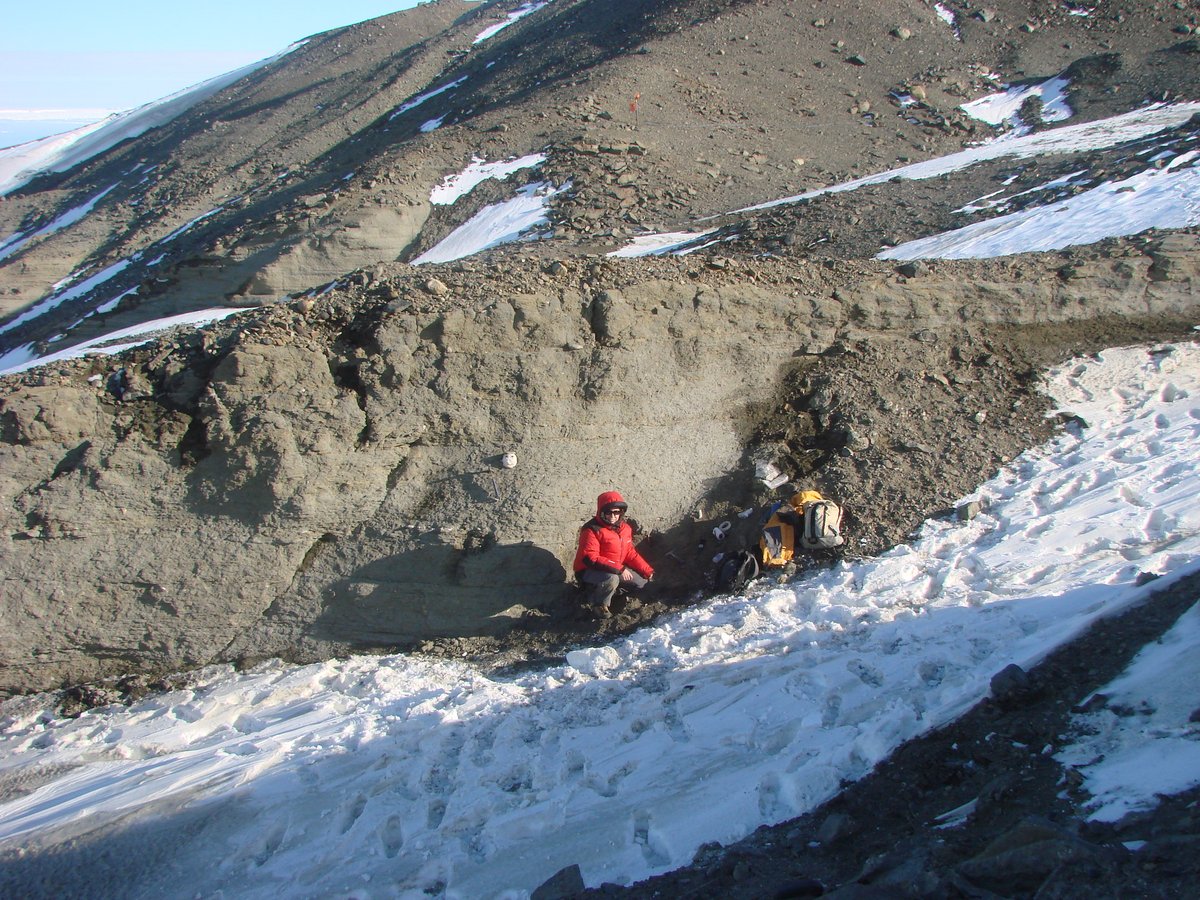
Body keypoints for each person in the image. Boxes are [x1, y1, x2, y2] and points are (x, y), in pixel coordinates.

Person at [573, 490, 654, 617]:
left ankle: (611, 592)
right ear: (601, 512)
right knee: (611, 579)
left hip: (613, 569)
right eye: (608, 512)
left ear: (621, 513)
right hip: (588, 571)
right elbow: (590, 558)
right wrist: (620, 569)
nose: (612, 516)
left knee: (641, 583)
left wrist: (647, 571)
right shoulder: (591, 530)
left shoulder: (625, 529)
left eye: (616, 512)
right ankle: (599, 605)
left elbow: (630, 553)